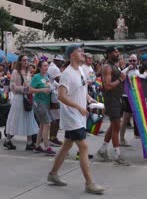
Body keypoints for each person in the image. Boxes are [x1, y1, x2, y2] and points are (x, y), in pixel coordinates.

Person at [47, 44, 105, 194]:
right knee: (84, 147)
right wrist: (78, 107)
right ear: (72, 55)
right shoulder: (66, 74)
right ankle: (89, 183)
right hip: (72, 116)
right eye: (80, 51)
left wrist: (89, 98)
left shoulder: (79, 70)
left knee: (66, 146)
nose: (83, 53)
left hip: (78, 115)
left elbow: (80, 89)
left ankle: (53, 174)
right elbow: (61, 96)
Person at [97, 47, 130, 166]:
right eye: (115, 52)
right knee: (116, 127)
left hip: (117, 98)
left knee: (113, 126)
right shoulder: (107, 67)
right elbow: (107, 86)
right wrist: (121, 80)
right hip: (111, 100)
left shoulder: (114, 66)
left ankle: (102, 150)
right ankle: (117, 156)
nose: (118, 53)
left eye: (118, 51)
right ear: (109, 54)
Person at [3, 55, 40, 150]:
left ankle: (29, 142)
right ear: (19, 61)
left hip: (27, 98)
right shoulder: (15, 72)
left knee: (29, 119)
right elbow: (12, 87)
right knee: (16, 120)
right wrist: (24, 88)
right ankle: (7, 140)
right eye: (24, 60)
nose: (26, 62)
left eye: (27, 60)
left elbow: (29, 85)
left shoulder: (28, 72)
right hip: (19, 98)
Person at [31, 61, 56, 155]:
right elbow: (30, 90)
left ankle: (37, 146)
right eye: (44, 66)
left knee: (42, 125)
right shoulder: (36, 77)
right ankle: (46, 146)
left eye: (47, 66)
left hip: (46, 103)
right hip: (39, 103)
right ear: (40, 67)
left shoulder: (46, 76)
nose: (46, 67)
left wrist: (52, 88)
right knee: (47, 124)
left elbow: (48, 87)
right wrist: (42, 90)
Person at [120, 54, 141, 147]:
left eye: (134, 61)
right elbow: (121, 75)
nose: (132, 62)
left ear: (137, 61)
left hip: (135, 96)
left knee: (137, 116)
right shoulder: (126, 70)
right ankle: (121, 138)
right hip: (127, 96)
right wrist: (128, 68)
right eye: (131, 61)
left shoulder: (138, 71)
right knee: (126, 118)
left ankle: (137, 134)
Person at [48, 55, 65, 147]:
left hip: (51, 93)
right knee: (56, 118)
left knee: (54, 117)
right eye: (60, 61)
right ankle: (53, 137)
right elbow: (61, 80)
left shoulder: (51, 67)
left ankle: (52, 137)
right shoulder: (55, 69)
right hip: (53, 95)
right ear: (55, 60)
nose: (61, 63)